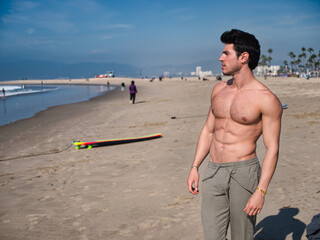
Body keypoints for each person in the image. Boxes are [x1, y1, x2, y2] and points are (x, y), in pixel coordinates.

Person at [186, 29, 282, 240]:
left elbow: (272, 149)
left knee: (242, 236)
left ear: (243, 57)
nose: (221, 58)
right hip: (213, 171)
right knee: (212, 236)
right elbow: (208, 131)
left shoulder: (266, 99)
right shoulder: (218, 90)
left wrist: (261, 191)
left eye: (226, 53)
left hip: (243, 173)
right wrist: (195, 167)